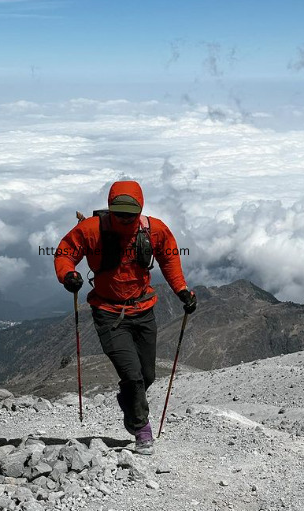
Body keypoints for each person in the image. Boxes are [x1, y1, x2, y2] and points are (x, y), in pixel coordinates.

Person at [54, 180, 196, 455]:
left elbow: (169, 261)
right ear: (110, 208)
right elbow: (65, 253)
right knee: (133, 376)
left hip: (143, 310)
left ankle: (128, 403)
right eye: (118, 213)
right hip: (107, 313)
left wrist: (182, 291)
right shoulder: (90, 230)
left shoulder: (154, 230)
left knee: (147, 375)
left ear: (140, 209)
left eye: (129, 214)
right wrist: (68, 275)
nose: (124, 218)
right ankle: (142, 431)